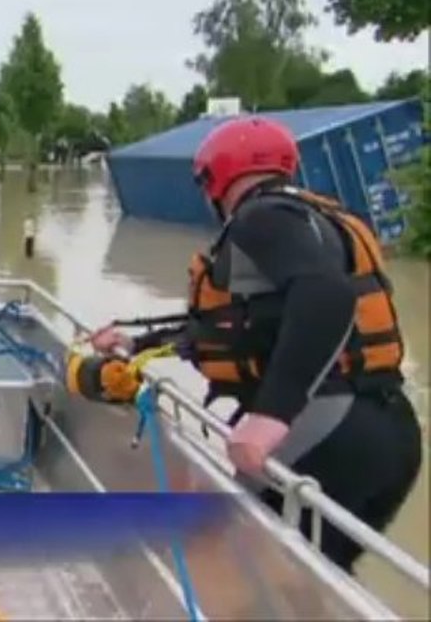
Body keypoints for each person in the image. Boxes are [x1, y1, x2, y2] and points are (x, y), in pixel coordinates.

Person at [88, 116, 422, 574]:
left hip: (327, 428)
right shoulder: (314, 220)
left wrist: (270, 416)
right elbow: (237, 329)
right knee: (312, 581)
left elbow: (327, 295)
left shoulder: (260, 217)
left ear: (215, 177)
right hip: (392, 433)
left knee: (231, 570)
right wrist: (137, 341)